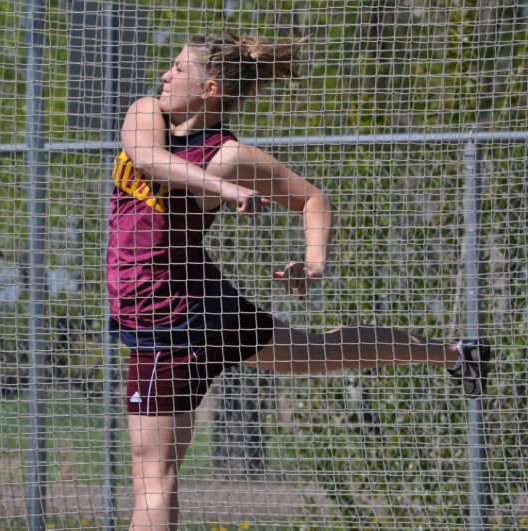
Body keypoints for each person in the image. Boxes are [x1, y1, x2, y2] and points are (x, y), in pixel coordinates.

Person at [105, 33, 490, 530]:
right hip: (202, 300)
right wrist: (225, 189)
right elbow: (149, 161)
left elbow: (314, 201)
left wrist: (314, 263)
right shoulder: (147, 114)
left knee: (153, 481)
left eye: (179, 69)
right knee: (317, 352)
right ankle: (458, 355)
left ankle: (455, 355)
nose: (165, 75)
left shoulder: (231, 155)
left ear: (210, 88)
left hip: (169, 319)